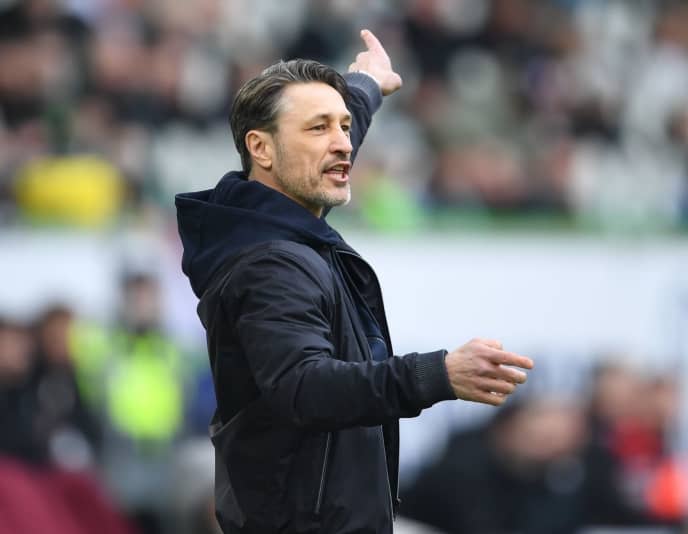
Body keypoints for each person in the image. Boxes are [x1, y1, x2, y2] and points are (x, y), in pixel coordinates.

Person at [175, 29, 533, 534]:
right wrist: (438, 375)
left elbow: (323, 145)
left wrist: (364, 86)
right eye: (320, 127)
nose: (343, 144)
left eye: (345, 126)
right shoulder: (271, 265)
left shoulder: (272, 222)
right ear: (261, 148)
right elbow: (302, 387)